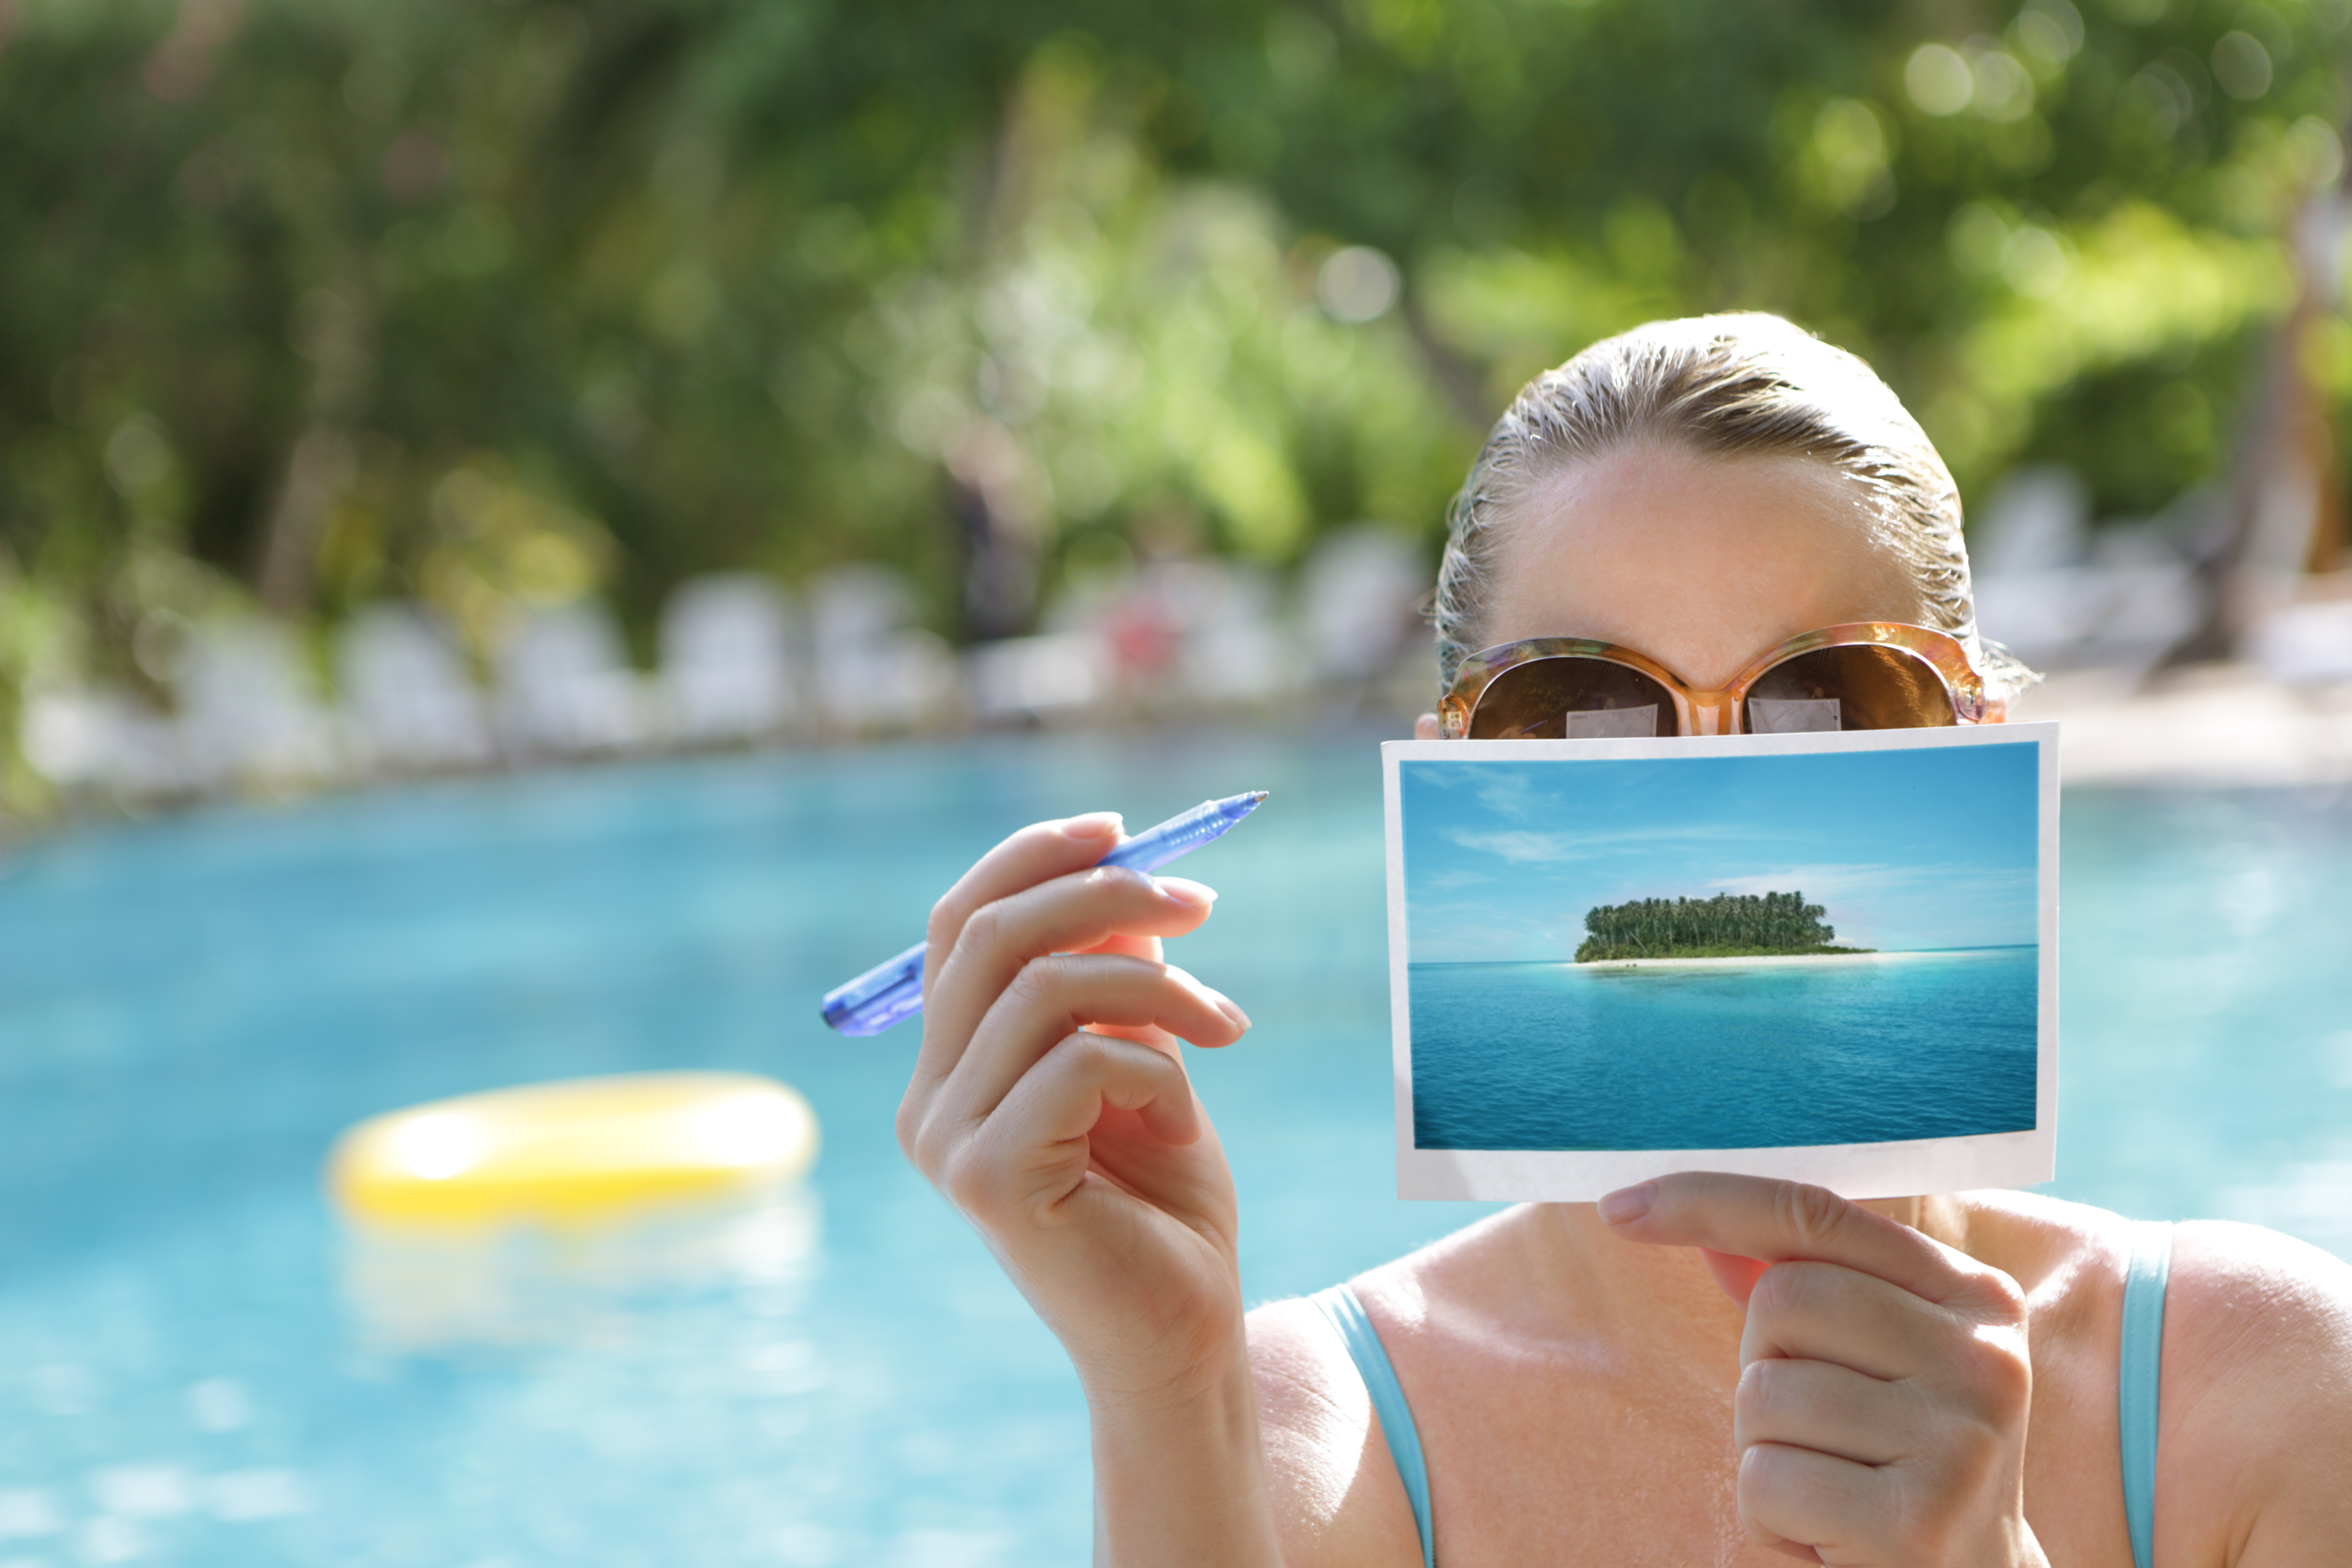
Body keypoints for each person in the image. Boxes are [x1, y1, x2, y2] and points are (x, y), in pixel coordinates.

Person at [894, 315, 2352, 1565]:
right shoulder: (1293, 1437)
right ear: (1454, 772)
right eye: (1584, 711)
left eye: (1831, 699)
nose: (1710, 794)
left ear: (1986, 743)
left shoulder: (2266, 1390)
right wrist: (1157, 1389)